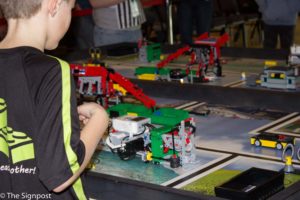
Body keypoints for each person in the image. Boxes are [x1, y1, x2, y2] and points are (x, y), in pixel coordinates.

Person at [0, 0, 108, 199]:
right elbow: (59, 176)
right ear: (54, 5)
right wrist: (99, 120)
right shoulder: (52, 70)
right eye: (71, 7)